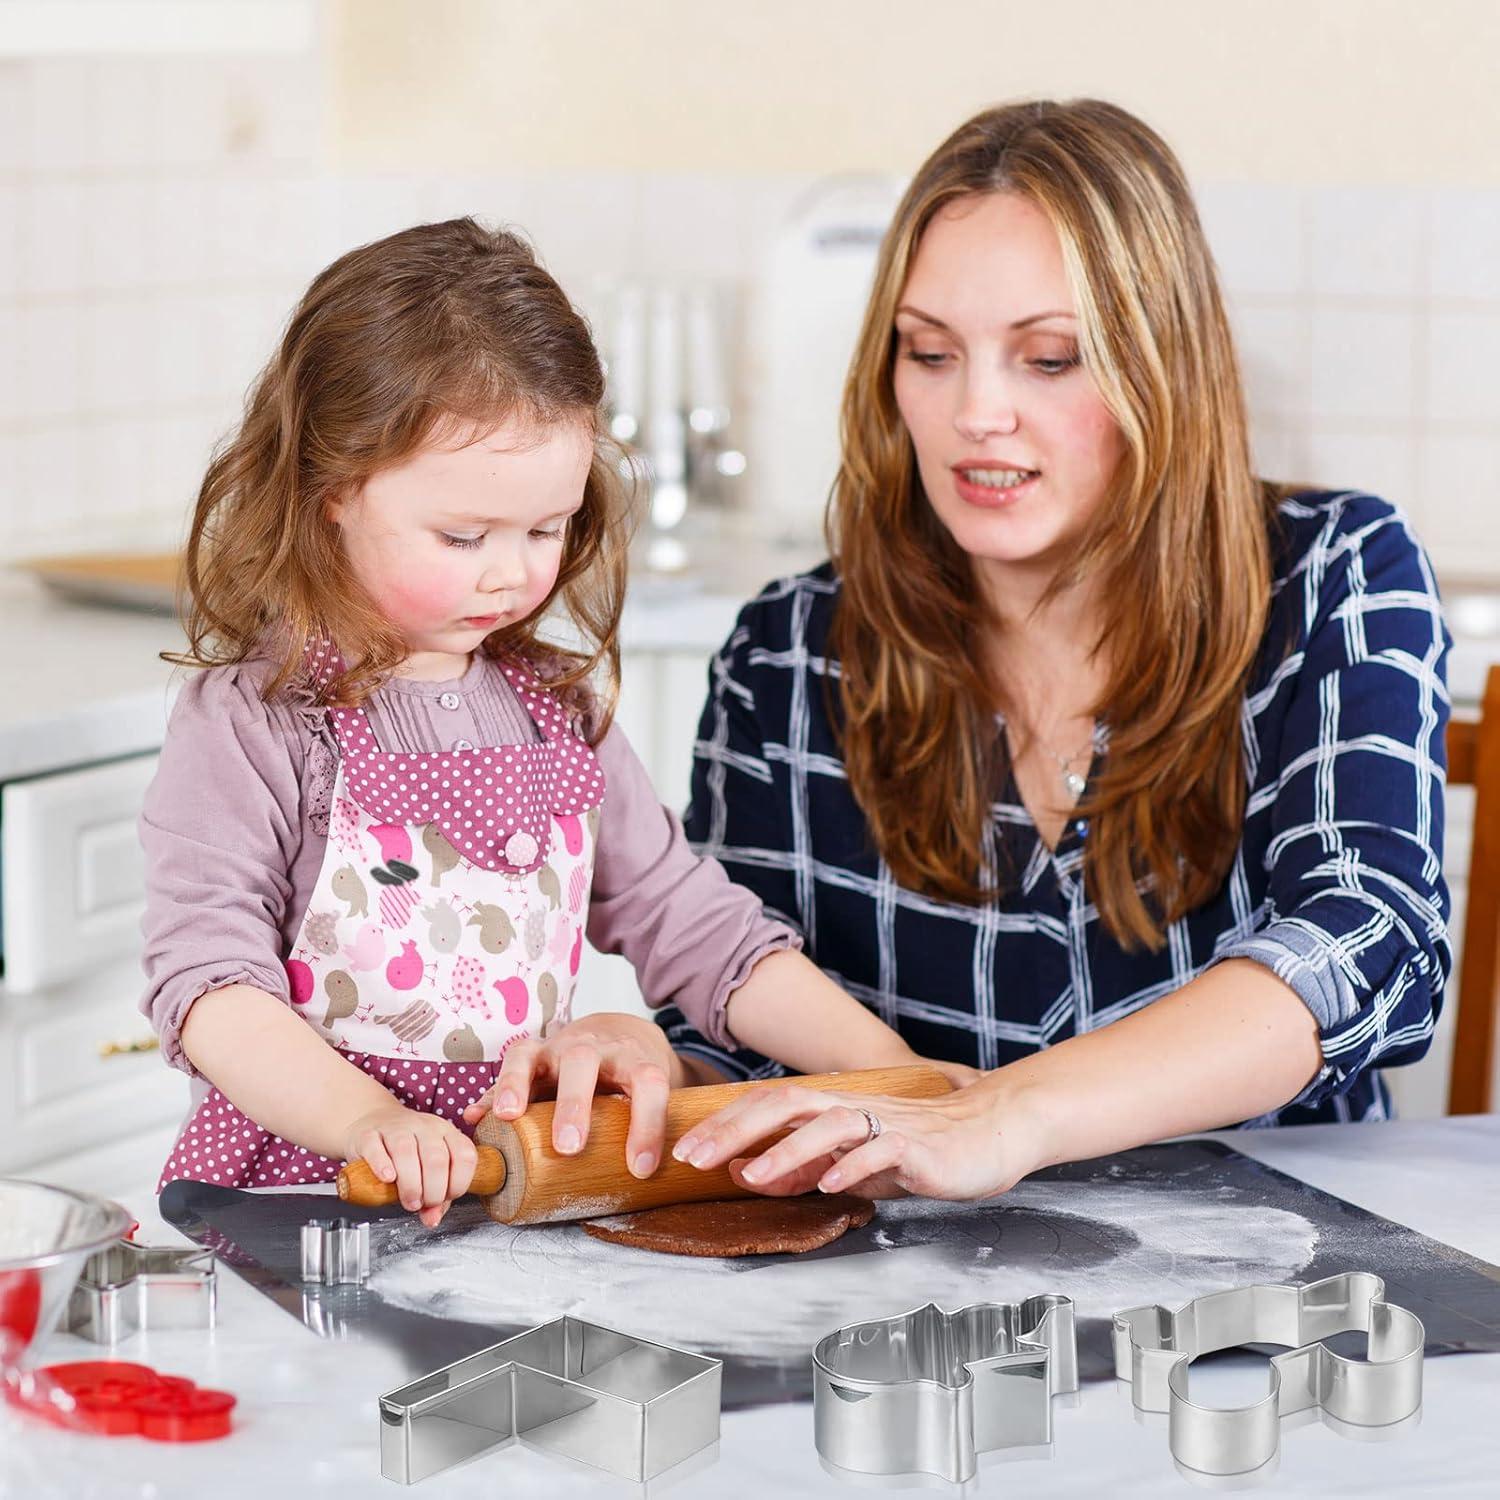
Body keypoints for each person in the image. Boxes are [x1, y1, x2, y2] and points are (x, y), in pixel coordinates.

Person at [503, 99, 1452, 1203]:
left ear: (1164, 366)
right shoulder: (788, 654)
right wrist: (653, 1075)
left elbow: (1369, 937)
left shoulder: (1335, 573)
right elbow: (767, 1056)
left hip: (1272, 1280)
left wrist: (1013, 1115)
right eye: (930, 353)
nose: (976, 412)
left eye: (1049, 359)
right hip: (913, 1305)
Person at [138, 218, 936, 1227]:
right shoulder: (255, 724)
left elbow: (695, 929)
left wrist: (897, 1076)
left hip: (506, 1190)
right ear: (331, 490)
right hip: (303, 1195)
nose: (513, 570)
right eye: (463, 534)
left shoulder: (557, 711)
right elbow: (209, 988)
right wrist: (370, 1123)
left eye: (546, 528)